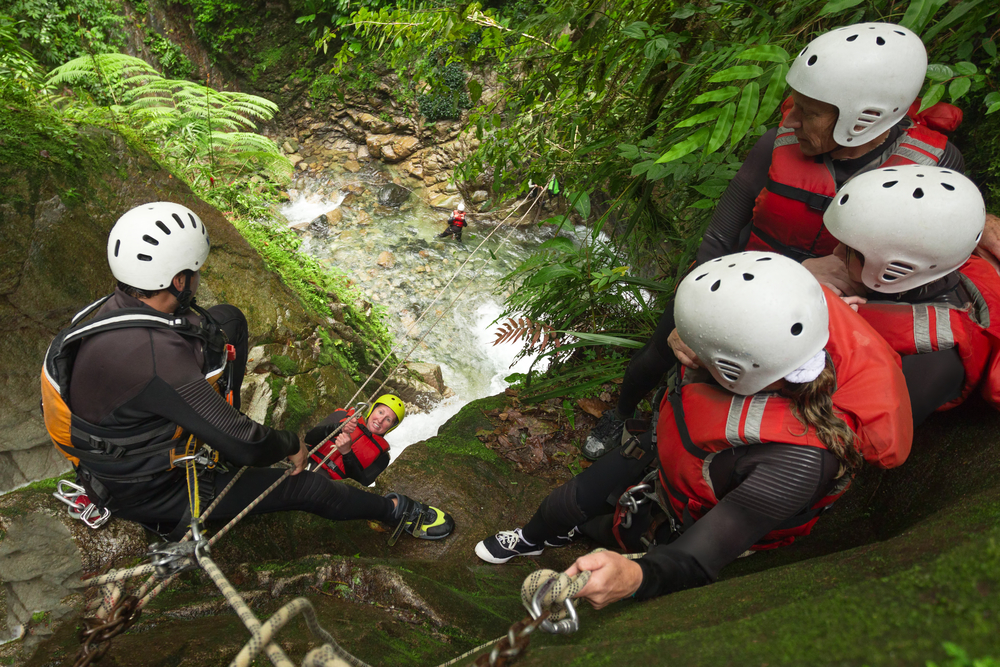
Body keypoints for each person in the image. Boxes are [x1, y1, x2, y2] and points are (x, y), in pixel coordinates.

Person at [582, 21, 968, 460]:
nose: (794, 119)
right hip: (737, 281)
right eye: (797, 105)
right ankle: (622, 410)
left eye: (812, 111)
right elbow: (721, 233)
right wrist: (695, 310)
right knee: (662, 347)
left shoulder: (930, 169)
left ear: (866, 116)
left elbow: (927, 258)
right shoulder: (778, 142)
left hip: (822, 315)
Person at [476, 253, 912, 608]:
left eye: (692, 346)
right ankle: (538, 538)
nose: (681, 347)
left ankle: (593, 531)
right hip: (671, 452)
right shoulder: (767, 343)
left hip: (694, 506)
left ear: (731, 368)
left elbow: (699, 559)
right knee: (562, 505)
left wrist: (635, 576)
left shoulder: (798, 461)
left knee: (606, 527)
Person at [41, 201, 454, 542]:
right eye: (195, 273)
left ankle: (218, 421)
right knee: (304, 486)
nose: (198, 281)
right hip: (152, 490)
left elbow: (196, 341)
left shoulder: (107, 313)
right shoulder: (158, 361)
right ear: (179, 279)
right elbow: (251, 448)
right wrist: (290, 443)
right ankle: (397, 512)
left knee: (230, 320)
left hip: (114, 447)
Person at [823, 164, 999, 425]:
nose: (836, 253)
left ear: (893, 269)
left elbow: (856, 428)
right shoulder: (944, 265)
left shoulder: (936, 363)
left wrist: (840, 339)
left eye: (849, 249)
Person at [306, 394, 405, 485]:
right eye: (380, 412)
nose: (380, 420)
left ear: (392, 426)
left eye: (388, 420)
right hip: (307, 463)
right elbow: (309, 438)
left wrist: (347, 453)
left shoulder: (382, 458)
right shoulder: (343, 416)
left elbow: (361, 484)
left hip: (331, 487)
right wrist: (338, 428)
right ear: (372, 410)